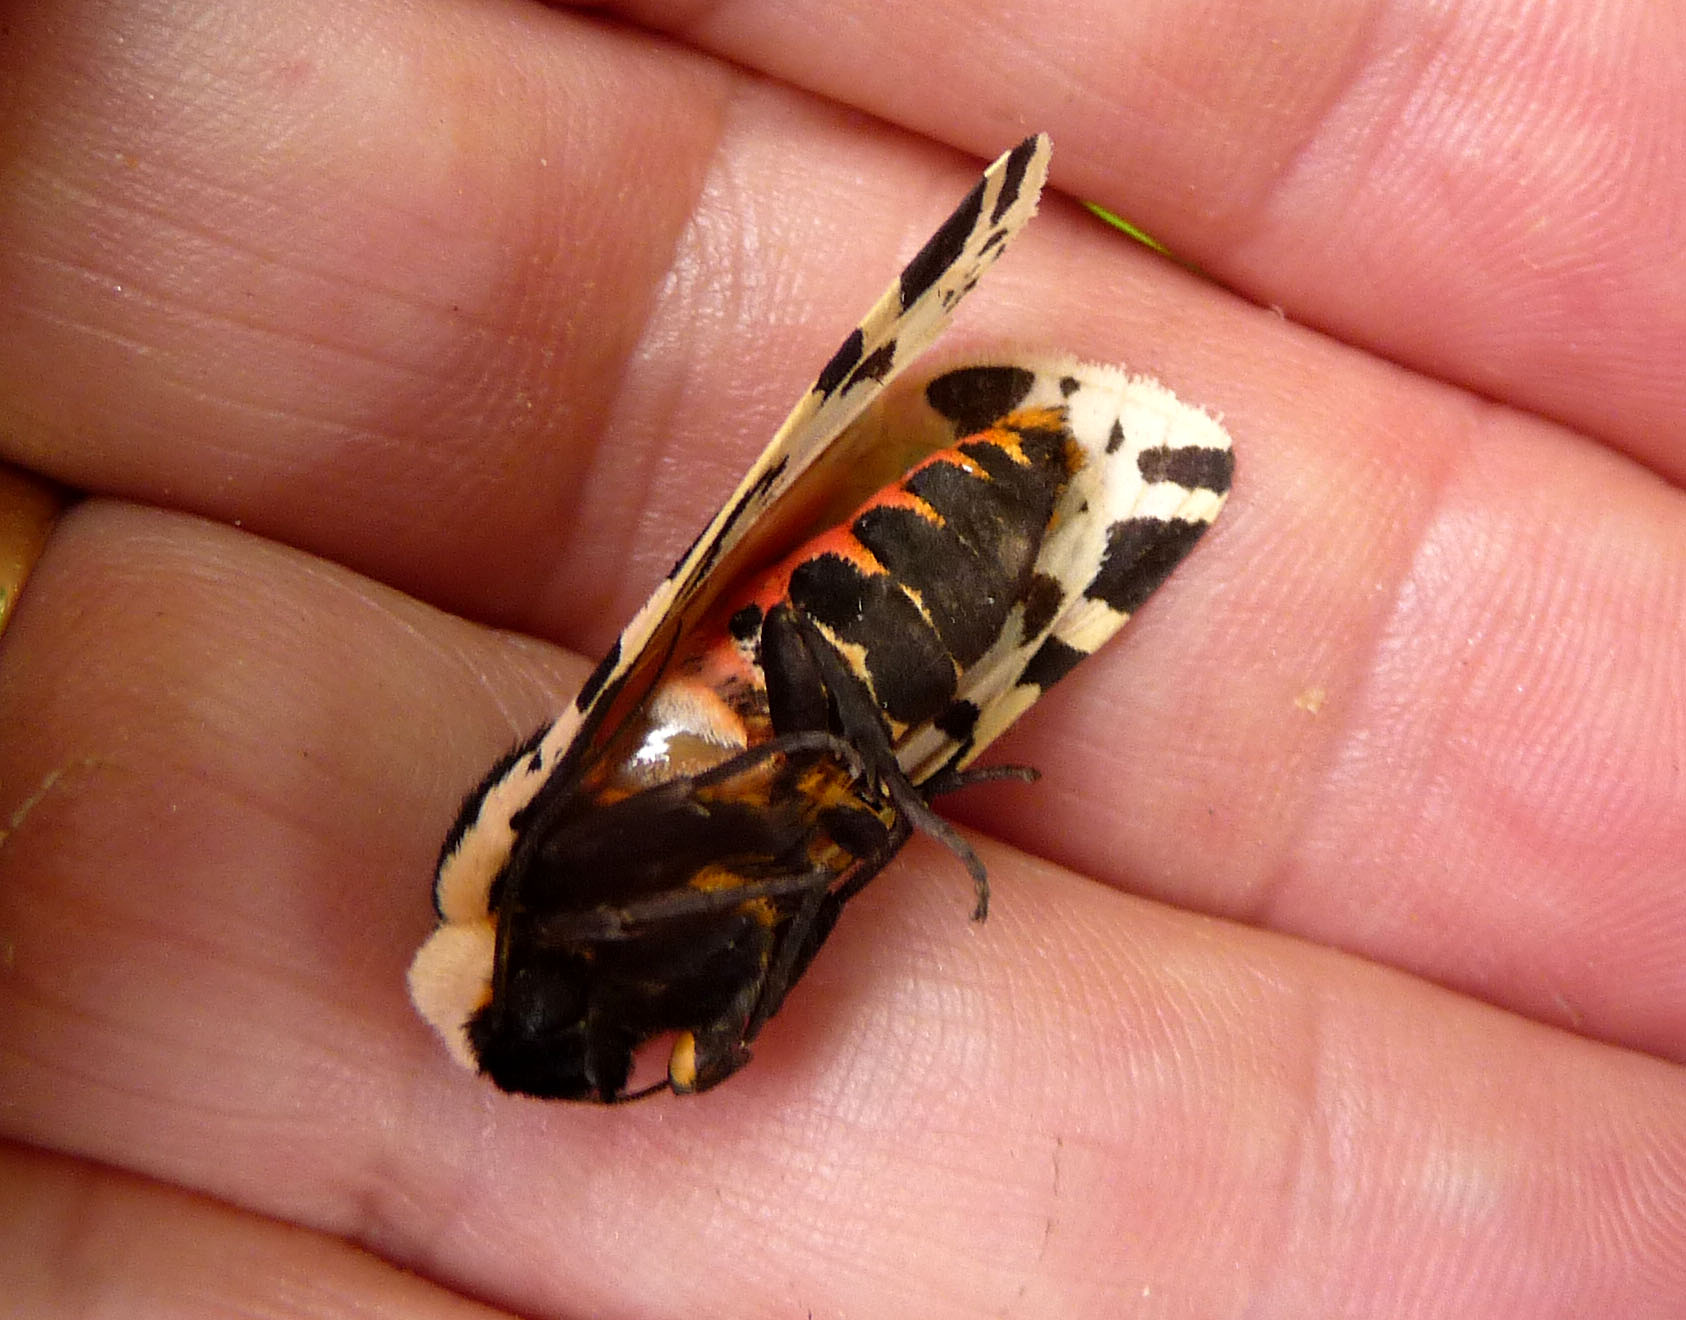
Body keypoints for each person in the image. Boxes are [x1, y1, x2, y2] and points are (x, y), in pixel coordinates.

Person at [1, 2, 1682, 1315]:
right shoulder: (629, 954)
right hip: (883, 688)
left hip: (810, 645)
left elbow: (680, 787)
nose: (645, 1043)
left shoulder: (548, 875)